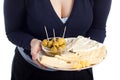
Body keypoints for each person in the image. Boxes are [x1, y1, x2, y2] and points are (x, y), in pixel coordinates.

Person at [4, 0, 111, 80]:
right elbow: (13, 31)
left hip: (79, 72)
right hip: (31, 72)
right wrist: (32, 42)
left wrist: (86, 53)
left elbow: (98, 28)